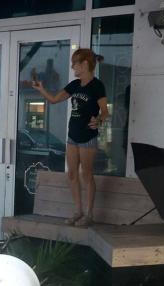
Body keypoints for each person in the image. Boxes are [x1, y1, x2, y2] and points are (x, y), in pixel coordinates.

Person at [32, 48, 109, 227]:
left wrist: (98, 120)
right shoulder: (74, 85)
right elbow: (54, 99)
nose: (72, 66)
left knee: (87, 175)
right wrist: (41, 89)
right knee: (72, 174)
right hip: (72, 136)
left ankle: (89, 214)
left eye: (75, 63)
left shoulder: (97, 86)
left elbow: (105, 111)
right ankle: (78, 211)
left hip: (88, 137)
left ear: (85, 64)